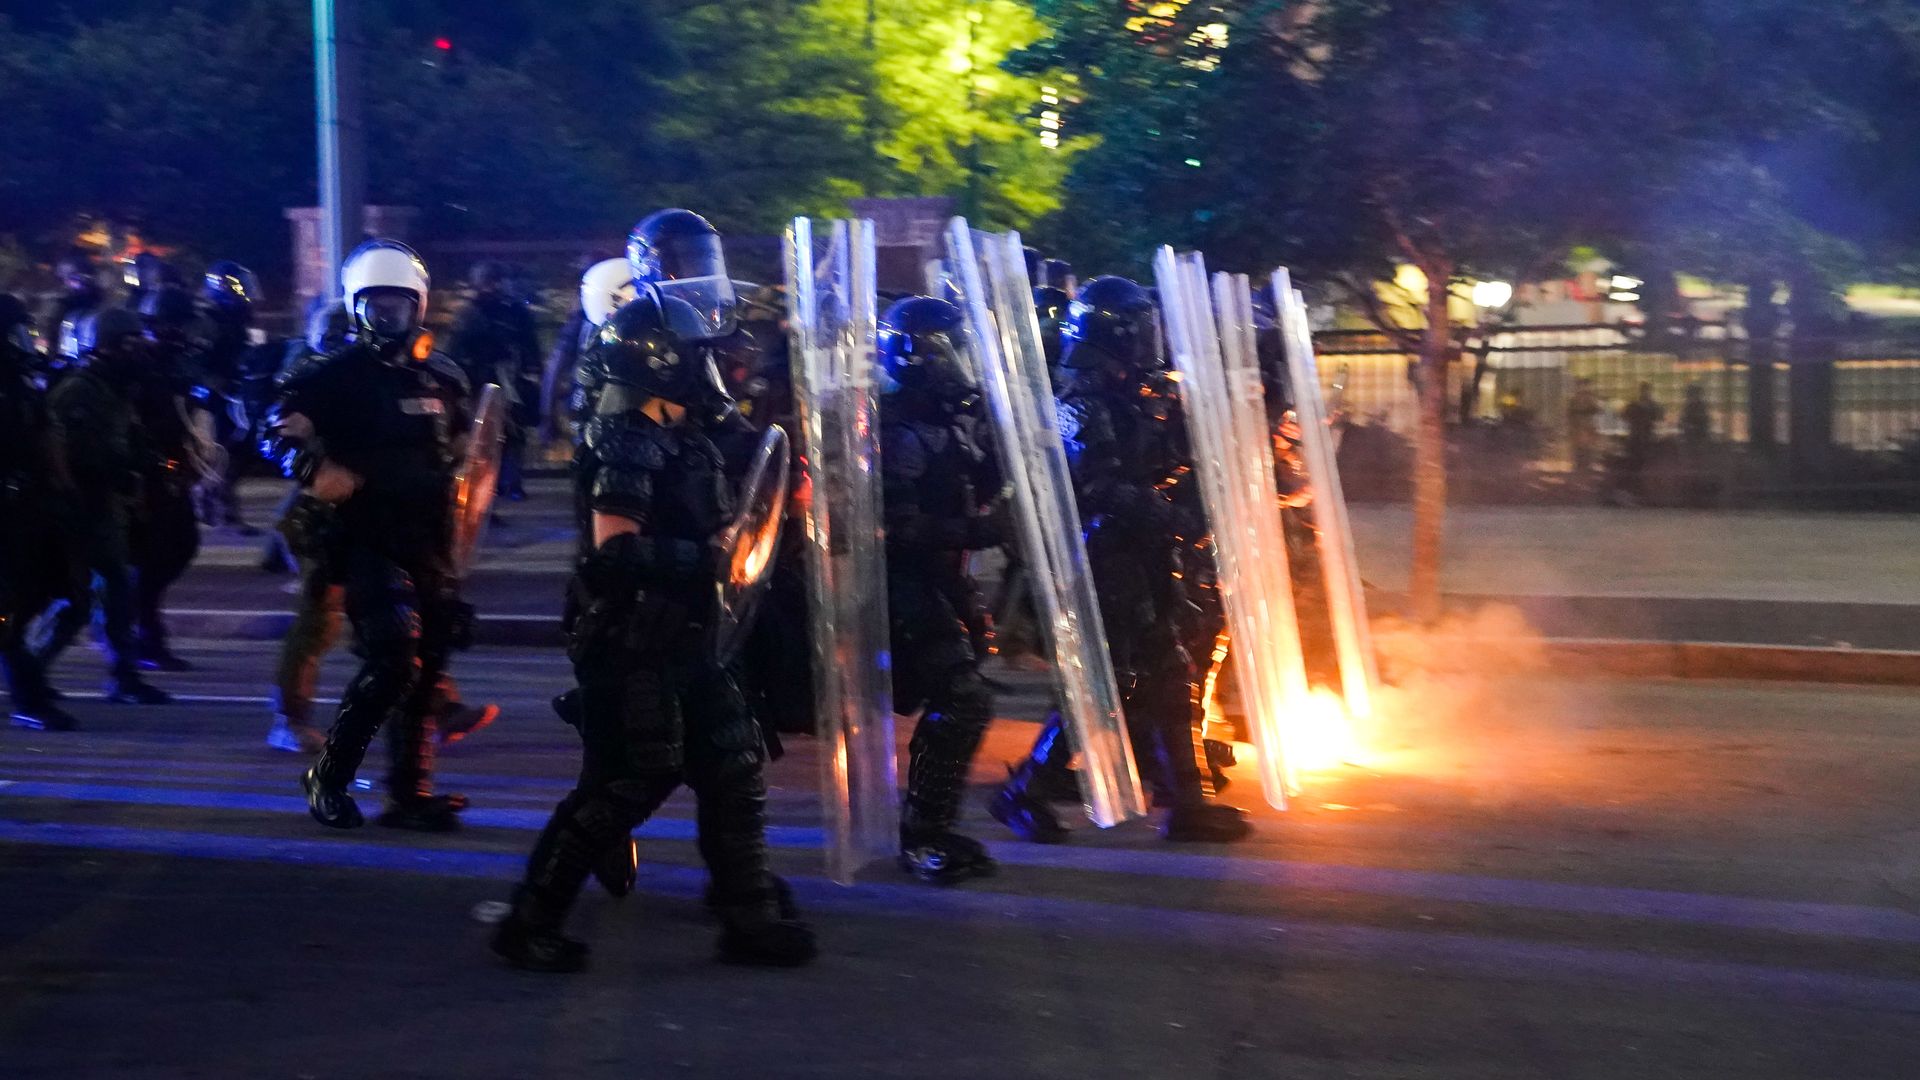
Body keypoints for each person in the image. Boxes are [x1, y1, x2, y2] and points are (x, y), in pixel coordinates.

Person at [492, 209, 813, 972]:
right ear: (667, 360)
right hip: (636, 635)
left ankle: (749, 916)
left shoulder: (684, 428)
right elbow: (614, 554)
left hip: (694, 629)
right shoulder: (626, 435)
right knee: (632, 779)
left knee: (732, 765)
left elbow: (739, 475)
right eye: (699, 354)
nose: (716, 361)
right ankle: (531, 918)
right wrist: (709, 558)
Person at [989, 276, 1252, 844]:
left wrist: (1192, 484)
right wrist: (1170, 513)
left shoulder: (1133, 397)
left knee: (1168, 670)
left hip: (1142, 554)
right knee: (1108, 683)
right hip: (1102, 556)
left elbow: (1160, 466)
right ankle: (1025, 790)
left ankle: (1188, 802)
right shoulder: (1081, 404)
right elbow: (1099, 486)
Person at [272, 239, 476, 832]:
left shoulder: (444, 378)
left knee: (429, 661)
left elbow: (469, 452)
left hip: (430, 537)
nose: (386, 317)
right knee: (391, 659)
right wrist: (312, 468)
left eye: (398, 305)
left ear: (420, 306)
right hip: (364, 535)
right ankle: (329, 777)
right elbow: (273, 433)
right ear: (355, 307)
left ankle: (410, 793)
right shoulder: (330, 376)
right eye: (374, 306)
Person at [875, 296, 1006, 883]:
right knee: (962, 697)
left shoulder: (943, 424)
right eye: (949, 349)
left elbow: (980, 479)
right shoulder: (900, 430)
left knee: (963, 699)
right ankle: (922, 834)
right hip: (905, 581)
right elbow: (896, 527)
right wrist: (981, 529)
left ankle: (933, 827)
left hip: (943, 578)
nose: (960, 361)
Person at [35, 308, 174, 707]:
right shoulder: (79, 390)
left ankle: (124, 676)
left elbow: (129, 439)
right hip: (76, 508)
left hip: (106, 508)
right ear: (107, 347)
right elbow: (66, 452)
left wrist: (148, 465)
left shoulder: (116, 389)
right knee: (74, 600)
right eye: (130, 344)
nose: (139, 352)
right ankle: (32, 672)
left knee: (117, 592)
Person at [1, 294, 76, 730]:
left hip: (25, 505)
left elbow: (45, 437)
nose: (22, 341)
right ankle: (27, 697)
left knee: (46, 588)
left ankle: (30, 683)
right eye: (15, 332)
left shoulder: (22, 381)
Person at [128, 284, 207, 672]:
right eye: (177, 326)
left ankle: (141, 629)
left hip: (170, 470)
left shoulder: (173, 363)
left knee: (181, 544)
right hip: (143, 475)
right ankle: (143, 637)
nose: (185, 334)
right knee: (152, 555)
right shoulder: (139, 365)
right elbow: (134, 424)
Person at [448, 261, 542, 501]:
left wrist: (531, 373)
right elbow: (457, 350)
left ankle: (511, 483)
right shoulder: (470, 313)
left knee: (514, 433)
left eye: (495, 281)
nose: (492, 286)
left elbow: (529, 345)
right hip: (480, 381)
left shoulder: (514, 311)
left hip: (509, 379)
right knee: (484, 436)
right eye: (488, 281)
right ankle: (489, 487)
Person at [38, 251, 104, 367]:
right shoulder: (60, 302)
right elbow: (51, 332)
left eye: (72, 277)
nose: (66, 282)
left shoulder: (97, 305)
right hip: (62, 360)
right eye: (62, 277)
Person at [1566, 377, 1602, 476]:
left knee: (1586, 446)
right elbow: (1569, 413)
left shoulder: (1585, 397)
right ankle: (1581, 464)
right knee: (1581, 446)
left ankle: (1585, 464)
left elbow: (1596, 409)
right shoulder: (1576, 398)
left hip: (1585, 425)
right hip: (1580, 425)